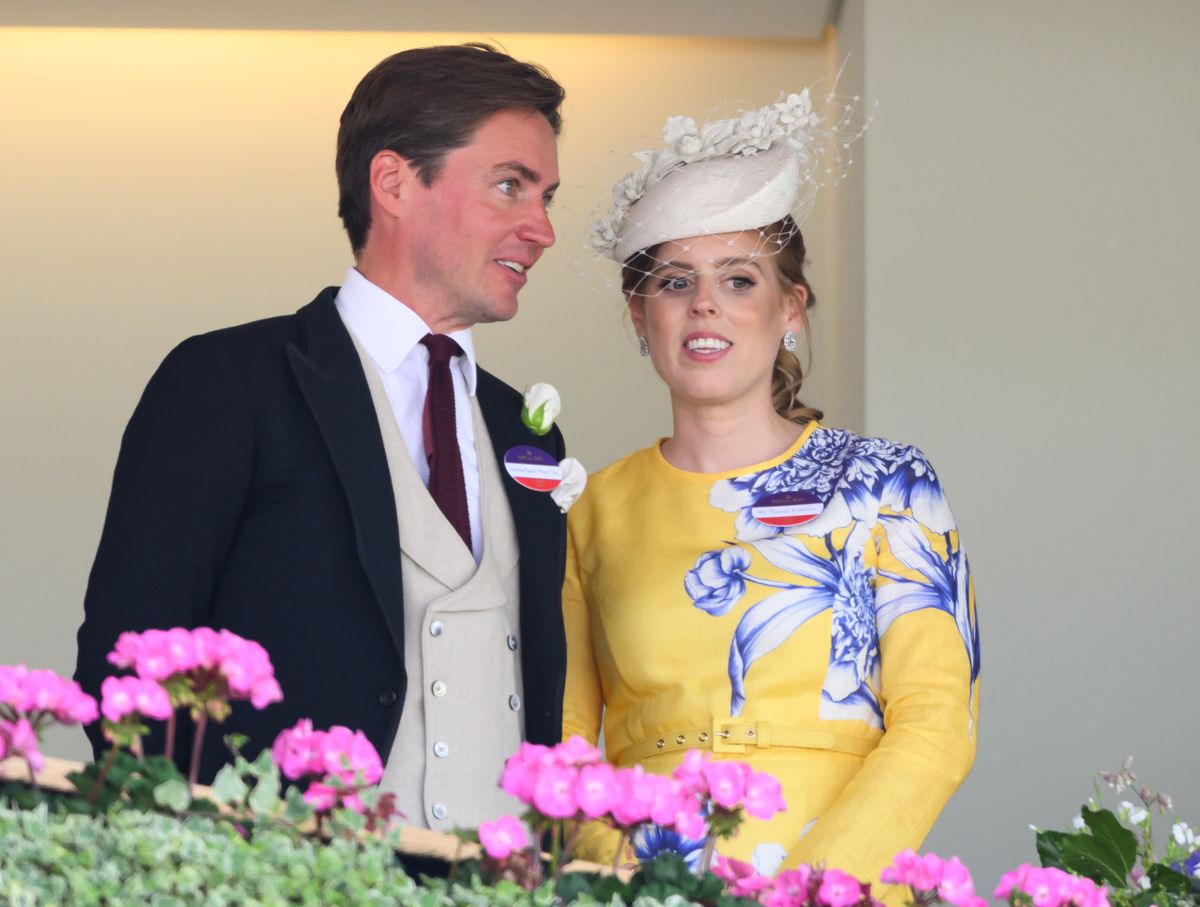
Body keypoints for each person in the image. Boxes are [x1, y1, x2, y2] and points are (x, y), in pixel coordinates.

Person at [75, 44, 569, 833]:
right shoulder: (228, 382)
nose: (541, 228)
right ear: (394, 182)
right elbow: (126, 665)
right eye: (510, 185)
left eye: (547, 196)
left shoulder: (523, 429)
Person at [562, 89, 980, 897]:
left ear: (791, 309)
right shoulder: (590, 511)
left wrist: (818, 887)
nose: (705, 303)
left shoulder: (888, 484)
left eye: (739, 279)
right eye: (675, 281)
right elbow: (568, 747)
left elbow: (937, 725)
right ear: (639, 317)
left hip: (844, 883)